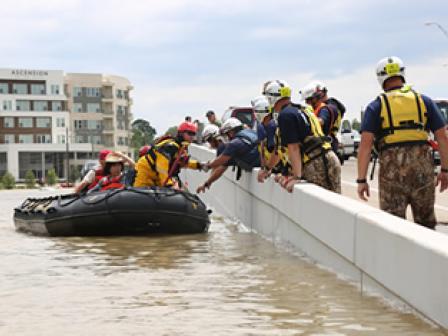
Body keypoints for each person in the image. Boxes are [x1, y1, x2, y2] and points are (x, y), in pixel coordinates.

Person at [357, 56, 448, 229]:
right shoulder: (424, 101)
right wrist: (445, 169)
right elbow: (443, 136)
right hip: (422, 167)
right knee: (426, 223)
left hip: (392, 170)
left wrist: (361, 180)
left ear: (380, 78)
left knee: (393, 226)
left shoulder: (376, 106)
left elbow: (365, 146)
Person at [263, 80, 341, 193]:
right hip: (330, 157)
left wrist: (296, 177)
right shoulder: (302, 109)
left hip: (316, 163)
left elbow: (293, 147)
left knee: (321, 205)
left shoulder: (285, 116)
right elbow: (282, 150)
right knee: (335, 202)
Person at [134, 121, 208, 188]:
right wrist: (169, 184)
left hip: (157, 176)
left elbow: (182, 162)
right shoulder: (170, 146)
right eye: (189, 133)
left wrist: (199, 165)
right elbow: (161, 166)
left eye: (194, 134)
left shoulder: (180, 148)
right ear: (181, 133)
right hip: (147, 170)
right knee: (140, 191)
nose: (192, 137)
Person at [197, 118, 260, 193]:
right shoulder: (250, 132)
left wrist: (208, 166)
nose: (227, 137)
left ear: (231, 131)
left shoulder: (234, 144)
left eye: (227, 134)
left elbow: (221, 162)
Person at [251, 95, 290, 183]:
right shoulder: (262, 125)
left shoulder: (272, 126)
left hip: (279, 164)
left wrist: (267, 169)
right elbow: (262, 149)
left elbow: (277, 150)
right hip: (273, 164)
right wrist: (264, 168)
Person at [300, 81, 344, 154]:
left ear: (320, 95)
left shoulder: (326, 109)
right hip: (327, 145)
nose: (307, 103)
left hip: (326, 147)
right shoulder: (330, 106)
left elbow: (321, 121)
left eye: (309, 100)